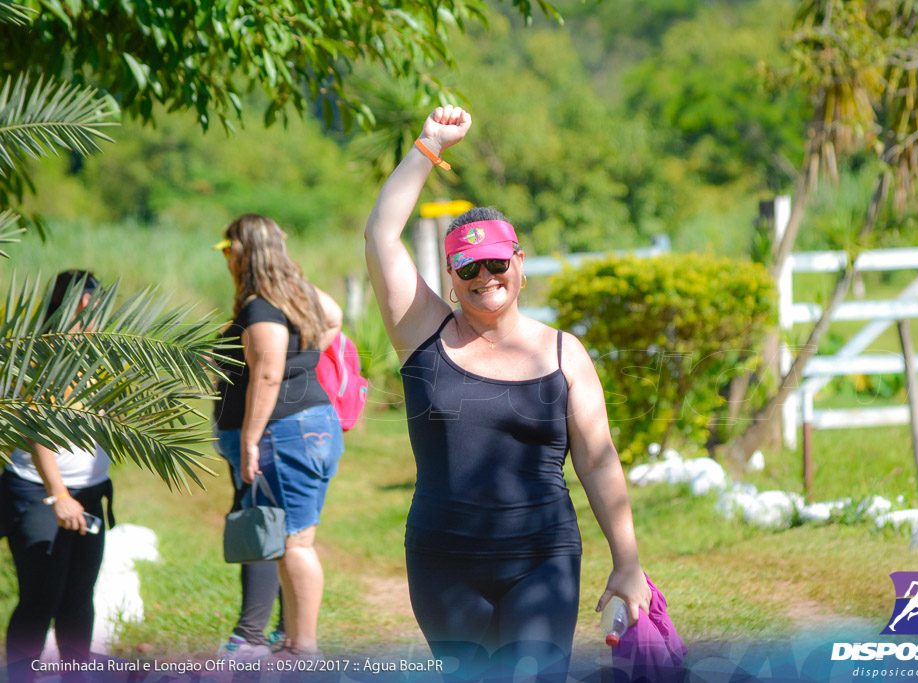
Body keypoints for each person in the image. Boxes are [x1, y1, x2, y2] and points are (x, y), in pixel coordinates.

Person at [364, 106, 652, 682]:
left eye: (498, 262)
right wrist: (428, 145)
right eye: (469, 267)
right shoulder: (421, 332)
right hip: (443, 563)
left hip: (542, 559)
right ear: (451, 276)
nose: (485, 277)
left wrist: (628, 563)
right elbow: (379, 234)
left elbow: (597, 461)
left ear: (520, 263)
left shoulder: (564, 353)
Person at [212, 214, 343, 659]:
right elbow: (334, 315)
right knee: (289, 538)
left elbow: (266, 376)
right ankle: (291, 642)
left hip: (288, 431)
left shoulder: (262, 306)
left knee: (295, 543)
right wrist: (306, 358)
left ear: (244, 253)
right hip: (309, 426)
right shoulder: (294, 296)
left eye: (228, 248)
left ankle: (303, 648)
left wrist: (249, 440)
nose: (226, 257)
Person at [0, 270, 115, 683]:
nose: (96, 315)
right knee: (41, 597)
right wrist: (59, 494)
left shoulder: (102, 354)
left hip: (89, 491)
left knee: (78, 597)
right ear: (78, 305)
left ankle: (76, 676)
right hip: (39, 492)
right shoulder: (43, 355)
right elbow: (38, 435)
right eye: (90, 306)